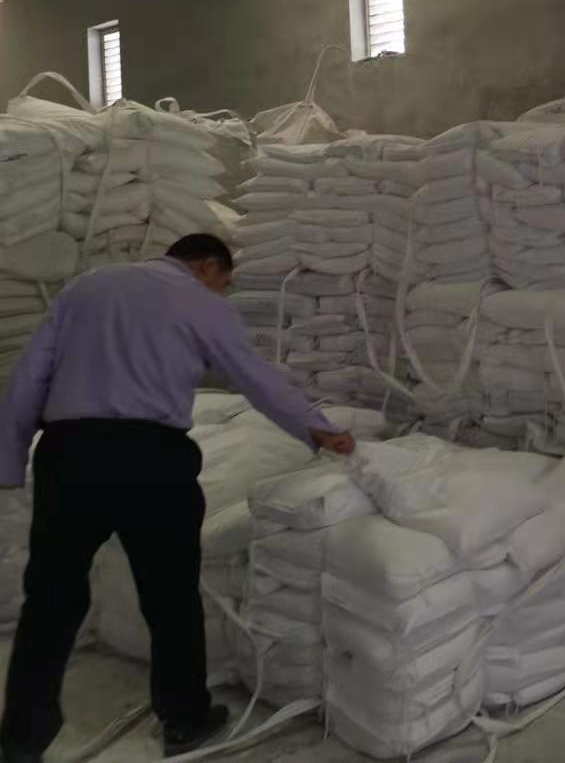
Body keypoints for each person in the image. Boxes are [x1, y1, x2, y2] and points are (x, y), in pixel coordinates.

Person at [0, 234, 356, 762]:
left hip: (69, 454)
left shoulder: (86, 287)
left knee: (50, 598)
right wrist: (316, 428)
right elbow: (255, 376)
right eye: (224, 282)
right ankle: (184, 719)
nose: (223, 292)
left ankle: (21, 739)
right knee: (170, 596)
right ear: (208, 266)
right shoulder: (201, 303)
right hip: (152, 459)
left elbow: (30, 373)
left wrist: (9, 459)